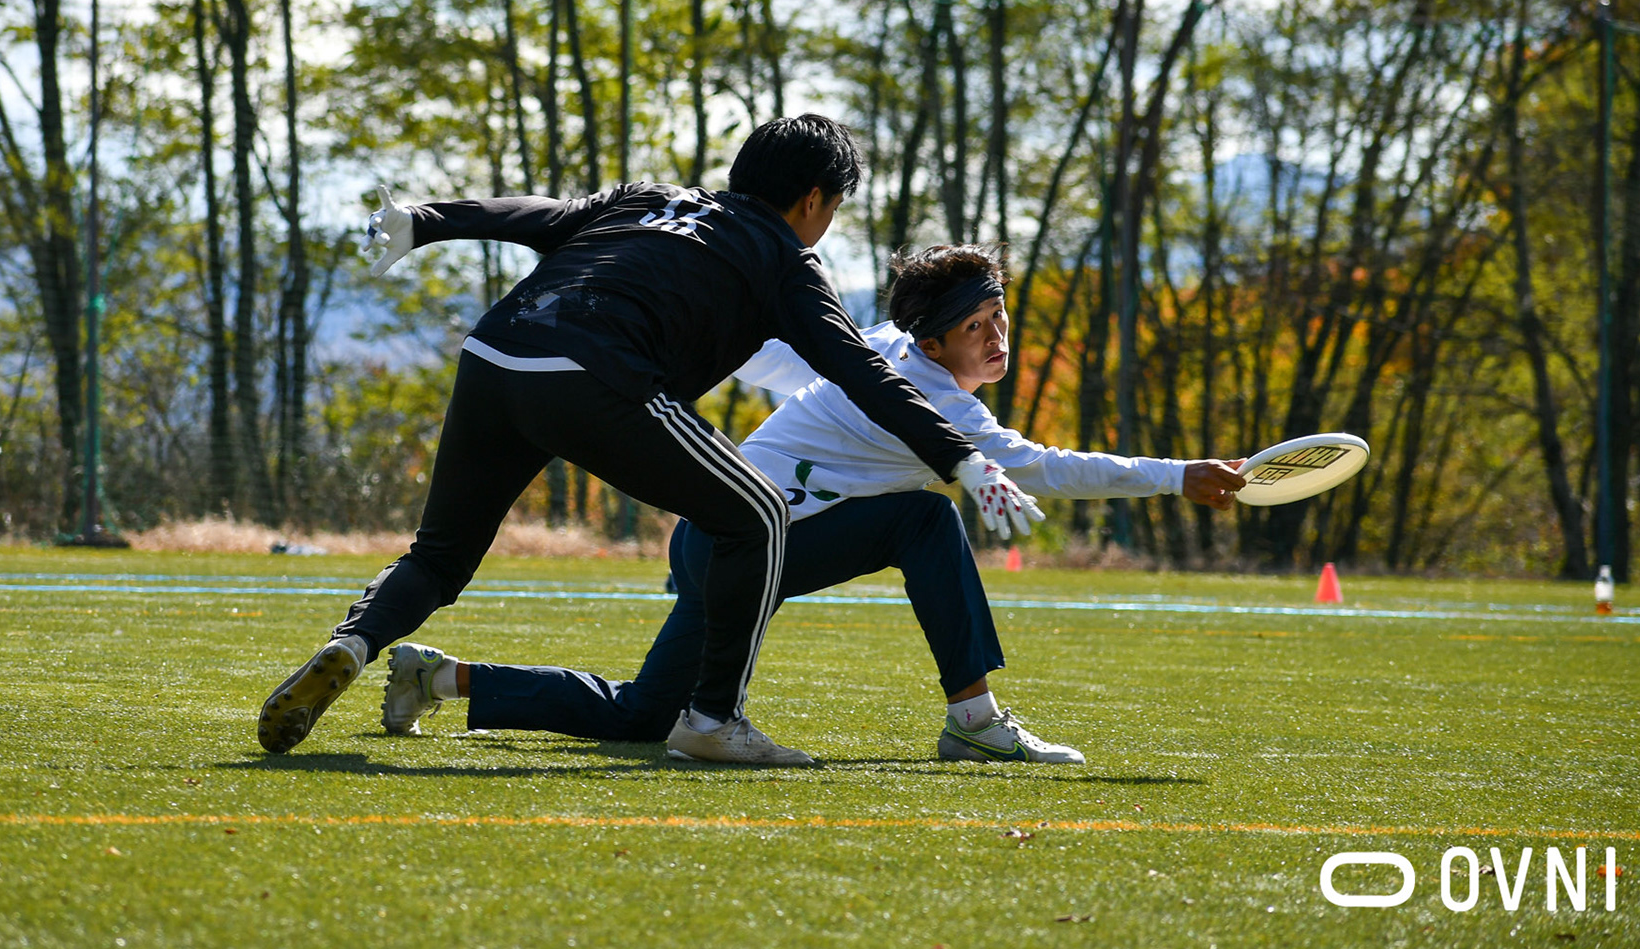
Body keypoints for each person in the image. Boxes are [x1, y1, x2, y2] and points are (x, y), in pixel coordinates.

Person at [257, 118, 1042, 766]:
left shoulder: (649, 198)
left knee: (438, 556)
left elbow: (539, 217)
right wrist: (961, 457)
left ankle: (353, 644)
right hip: (591, 374)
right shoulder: (786, 261)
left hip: (495, 354)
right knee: (759, 513)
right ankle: (715, 721)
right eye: (833, 207)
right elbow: (863, 372)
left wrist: (427, 221)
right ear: (813, 200)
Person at [377, 244, 1247, 764]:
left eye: (1000, 317)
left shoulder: (883, 348)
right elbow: (1042, 468)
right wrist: (1176, 475)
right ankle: (975, 721)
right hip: (744, 543)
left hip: (717, 540)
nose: (998, 337)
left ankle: (439, 676)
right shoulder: (930, 395)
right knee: (925, 519)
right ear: (931, 339)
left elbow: (775, 360)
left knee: (646, 717)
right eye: (977, 325)